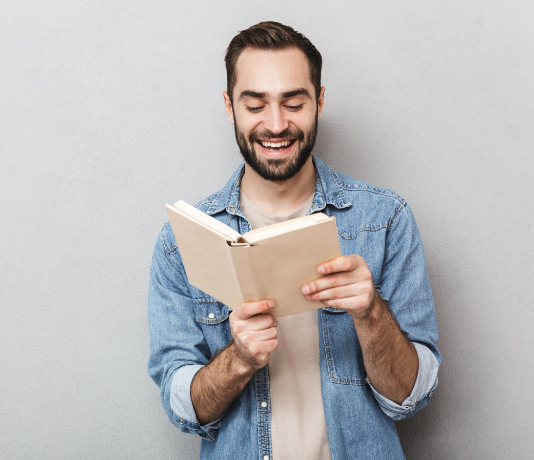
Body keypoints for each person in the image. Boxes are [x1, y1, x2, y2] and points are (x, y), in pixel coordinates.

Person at [148, 21, 440, 460]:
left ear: (319, 102)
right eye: (255, 104)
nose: (276, 124)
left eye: (294, 102)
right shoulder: (181, 242)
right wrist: (240, 359)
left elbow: (411, 398)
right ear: (230, 107)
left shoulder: (385, 220)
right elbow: (187, 412)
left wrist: (370, 312)